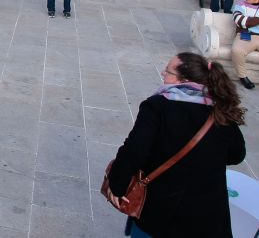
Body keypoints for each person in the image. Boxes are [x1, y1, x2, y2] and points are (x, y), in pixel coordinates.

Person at [105, 53, 246, 237]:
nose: (163, 73)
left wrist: (117, 184)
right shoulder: (219, 110)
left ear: (183, 80)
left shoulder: (158, 106)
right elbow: (237, 154)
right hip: (207, 216)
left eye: (169, 71)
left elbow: (135, 150)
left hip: (161, 210)